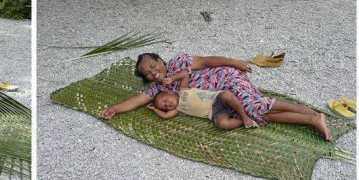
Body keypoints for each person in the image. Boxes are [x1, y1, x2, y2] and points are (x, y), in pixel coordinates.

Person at [100, 53, 332, 140]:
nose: (152, 71)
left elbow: (207, 61)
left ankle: (312, 119)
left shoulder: (179, 63)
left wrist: (233, 62)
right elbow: (136, 100)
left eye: (153, 65)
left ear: (161, 60)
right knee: (259, 112)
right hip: (219, 102)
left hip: (227, 80)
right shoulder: (157, 91)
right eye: (147, 73)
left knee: (254, 109)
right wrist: (115, 109)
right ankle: (312, 115)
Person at [149, 71, 259, 130]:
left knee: (227, 95)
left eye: (165, 100)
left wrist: (172, 79)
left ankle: (245, 117)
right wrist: (154, 109)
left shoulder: (182, 90)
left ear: (169, 92)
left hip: (217, 98)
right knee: (222, 124)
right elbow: (165, 116)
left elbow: (185, 75)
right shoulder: (179, 108)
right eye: (164, 107)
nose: (167, 104)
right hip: (215, 113)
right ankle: (243, 122)